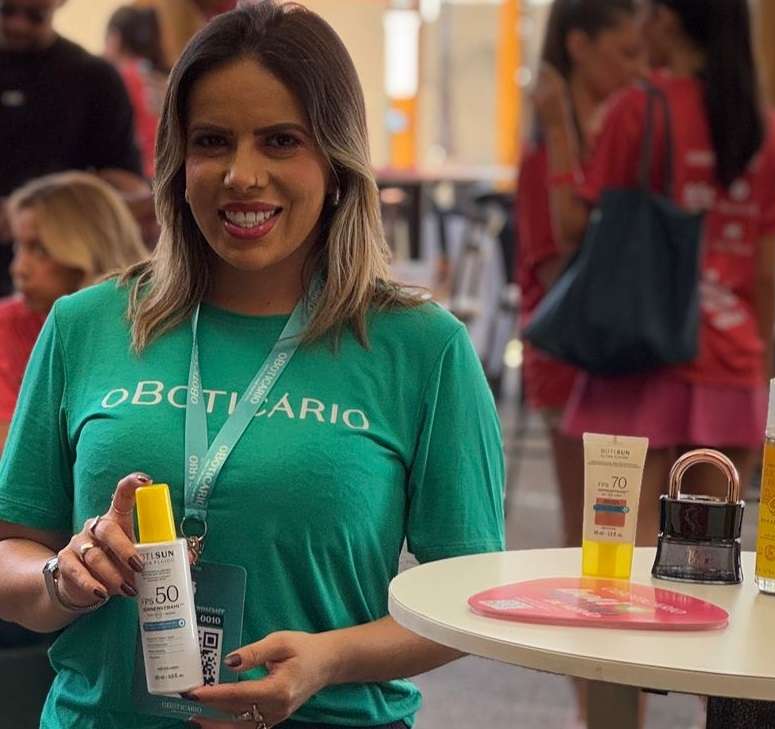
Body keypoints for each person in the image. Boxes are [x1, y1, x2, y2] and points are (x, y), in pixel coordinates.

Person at [0, 4, 505, 729]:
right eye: (212, 141)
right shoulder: (87, 324)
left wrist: (331, 658)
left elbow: (467, 595)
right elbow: (11, 549)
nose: (242, 175)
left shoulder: (420, 348)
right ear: (177, 162)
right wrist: (62, 577)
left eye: (280, 141)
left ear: (334, 160)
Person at [543, 0, 775, 546]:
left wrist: (559, 129)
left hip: (641, 352)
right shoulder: (769, 130)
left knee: (622, 556)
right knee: (707, 559)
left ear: (670, 20)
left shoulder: (638, 109)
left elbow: (571, 229)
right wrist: (758, 371)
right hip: (733, 358)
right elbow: (767, 273)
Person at [516, 5, 642, 725]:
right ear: (579, 45)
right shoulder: (551, 151)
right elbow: (561, 250)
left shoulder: (610, 135)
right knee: (593, 554)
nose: (635, 68)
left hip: (618, 361)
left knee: (626, 560)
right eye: (622, 52)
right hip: (569, 360)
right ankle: (599, 713)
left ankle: (610, 709)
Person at [0, 0, 148, 295]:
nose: (18, 24)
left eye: (34, 16)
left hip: (63, 277)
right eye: (6, 11)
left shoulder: (94, 78)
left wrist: (51, 218)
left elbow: (128, 188)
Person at [0, 171, 149, 452]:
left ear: (87, 248)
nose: (18, 269)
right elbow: (10, 459)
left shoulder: (157, 319)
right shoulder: (7, 325)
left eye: (40, 249)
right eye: (18, 247)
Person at [105, 6, 169, 179]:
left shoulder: (117, 77)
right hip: (162, 168)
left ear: (115, 38)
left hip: (137, 173)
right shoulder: (154, 75)